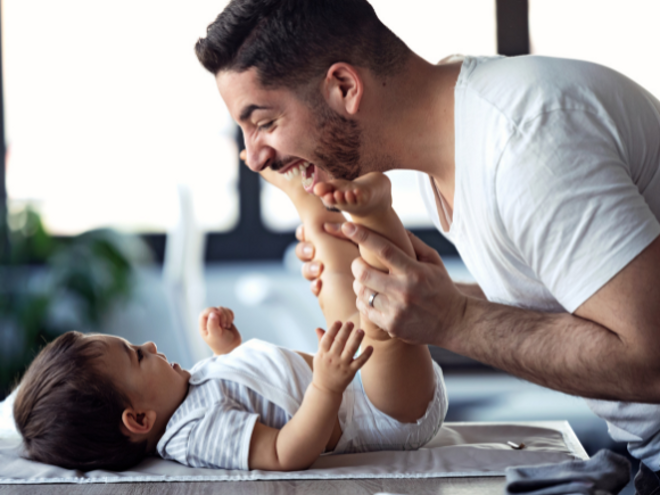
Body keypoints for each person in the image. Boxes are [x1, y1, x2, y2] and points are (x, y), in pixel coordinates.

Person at [194, 0, 660, 491]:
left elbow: (652, 361)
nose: (253, 157)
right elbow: (592, 306)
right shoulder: (458, 136)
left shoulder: (525, 142)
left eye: (263, 122)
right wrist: (436, 297)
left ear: (345, 87)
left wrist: (453, 319)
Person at [12, 169, 446, 472]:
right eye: (138, 357)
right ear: (139, 420)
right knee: (382, 319)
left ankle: (309, 198)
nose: (149, 347)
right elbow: (283, 452)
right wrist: (326, 385)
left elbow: (254, 394)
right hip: (386, 416)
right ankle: (376, 212)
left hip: (358, 386)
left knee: (336, 281)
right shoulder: (193, 434)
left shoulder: (186, 394)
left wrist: (228, 350)